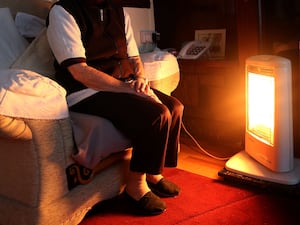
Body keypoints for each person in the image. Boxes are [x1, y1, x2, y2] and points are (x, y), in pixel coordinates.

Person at [46, 0, 184, 215]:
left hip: (122, 84)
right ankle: (135, 186)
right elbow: (78, 70)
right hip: (86, 91)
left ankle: (153, 172)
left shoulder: (118, 11)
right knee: (156, 114)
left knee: (174, 107)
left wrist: (139, 79)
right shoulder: (63, 11)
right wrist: (126, 89)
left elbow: (134, 57)